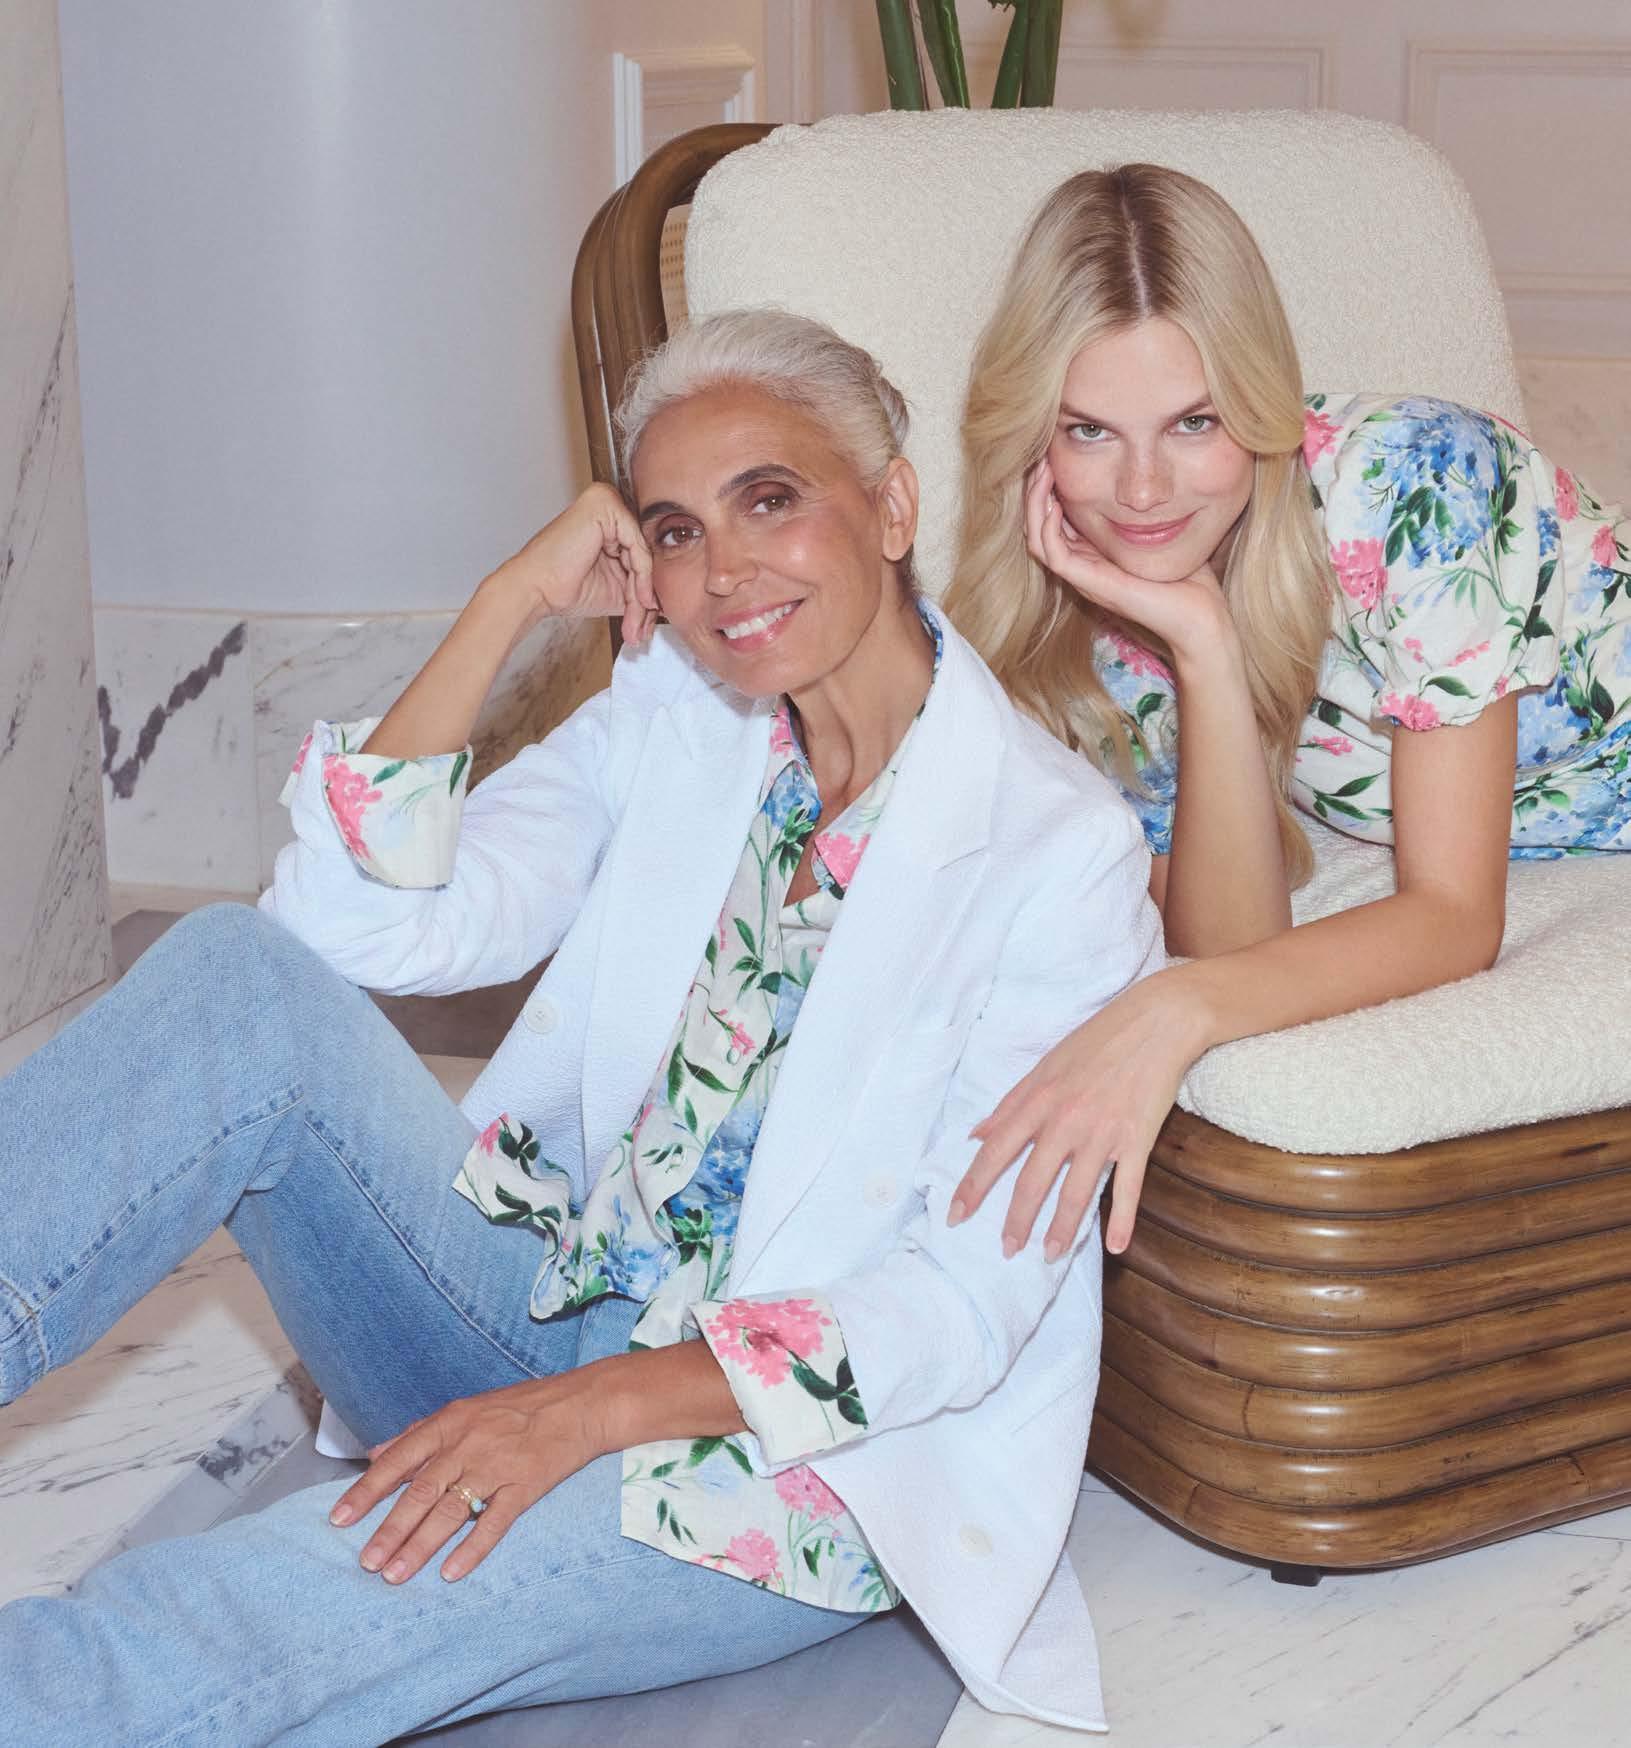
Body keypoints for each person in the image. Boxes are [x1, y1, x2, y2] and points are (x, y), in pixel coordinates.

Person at [0, 310, 1161, 1741]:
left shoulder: (1057, 855)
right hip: (539, 1313)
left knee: (270, 1607)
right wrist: (506, 605)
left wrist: (593, 1410)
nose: (722, 569)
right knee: (235, 980)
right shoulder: (678, 710)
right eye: (675, 530)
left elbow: (960, 1305)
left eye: (770, 499)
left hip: (781, 1459)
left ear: (892, 505)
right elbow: (345, 928)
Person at [941, 163, 1631, 1262]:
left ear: (1258, 400)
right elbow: (1233, 940)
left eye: (1193, 421)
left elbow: (1455, 917)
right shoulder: (1087, 633)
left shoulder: (1413, 481)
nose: (1142, 491)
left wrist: (1175, 1008)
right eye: (1088, 432)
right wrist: (1206, 650)